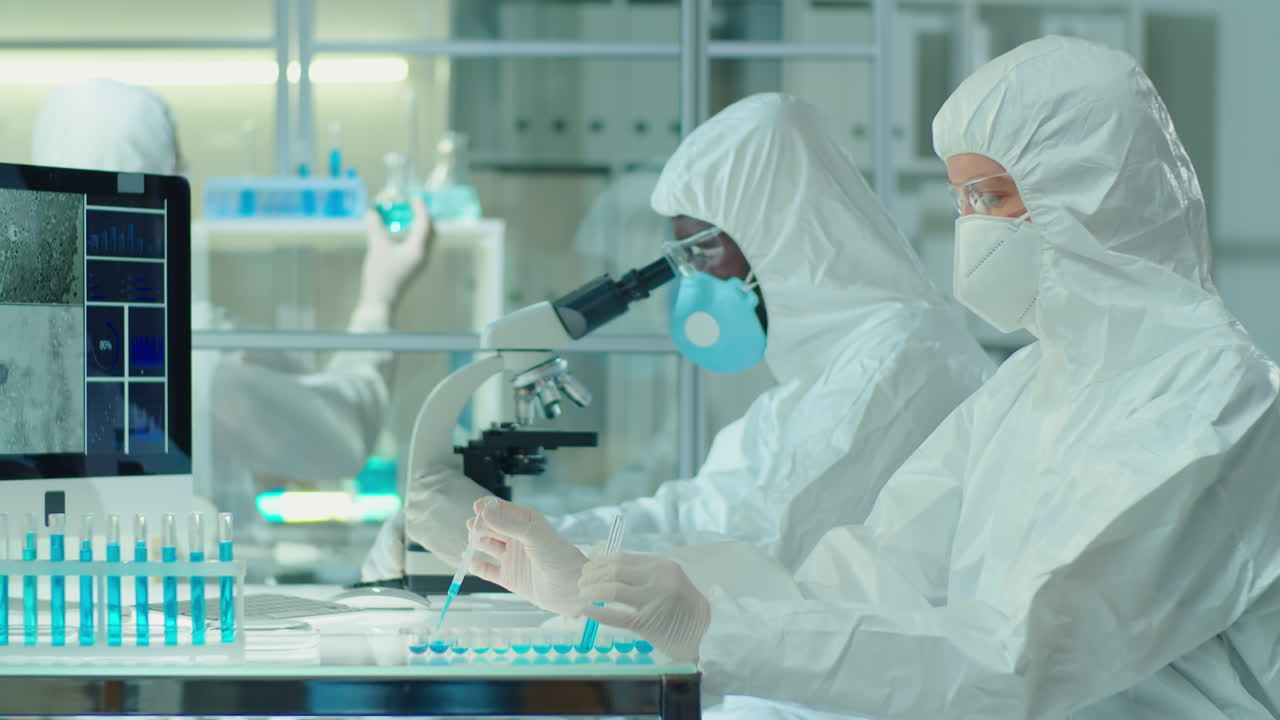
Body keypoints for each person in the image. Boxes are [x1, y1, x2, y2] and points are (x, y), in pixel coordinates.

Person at [473, 36, 1280, 718]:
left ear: (1096, 197)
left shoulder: (1217, 402)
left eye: (991, 197)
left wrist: (708, 627)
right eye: (963, 200)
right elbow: (866, 576)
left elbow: (1022, 657)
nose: (971, 230)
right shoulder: (1028, 386)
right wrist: (598, 584)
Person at [363, 92, 994, 592]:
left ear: (784, 233)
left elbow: (758, 552)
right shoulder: (811, 386)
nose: (698, 278)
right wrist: (509, 539)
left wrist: (524, 558)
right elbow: (692, 516)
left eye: (704, 250)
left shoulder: (905, 360)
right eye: (685, 255)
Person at [32, 78, 434, 541]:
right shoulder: (192, 343)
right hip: (183, 603)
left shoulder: (25, 332)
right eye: (179, 165)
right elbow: (340, 439)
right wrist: (378, 297)